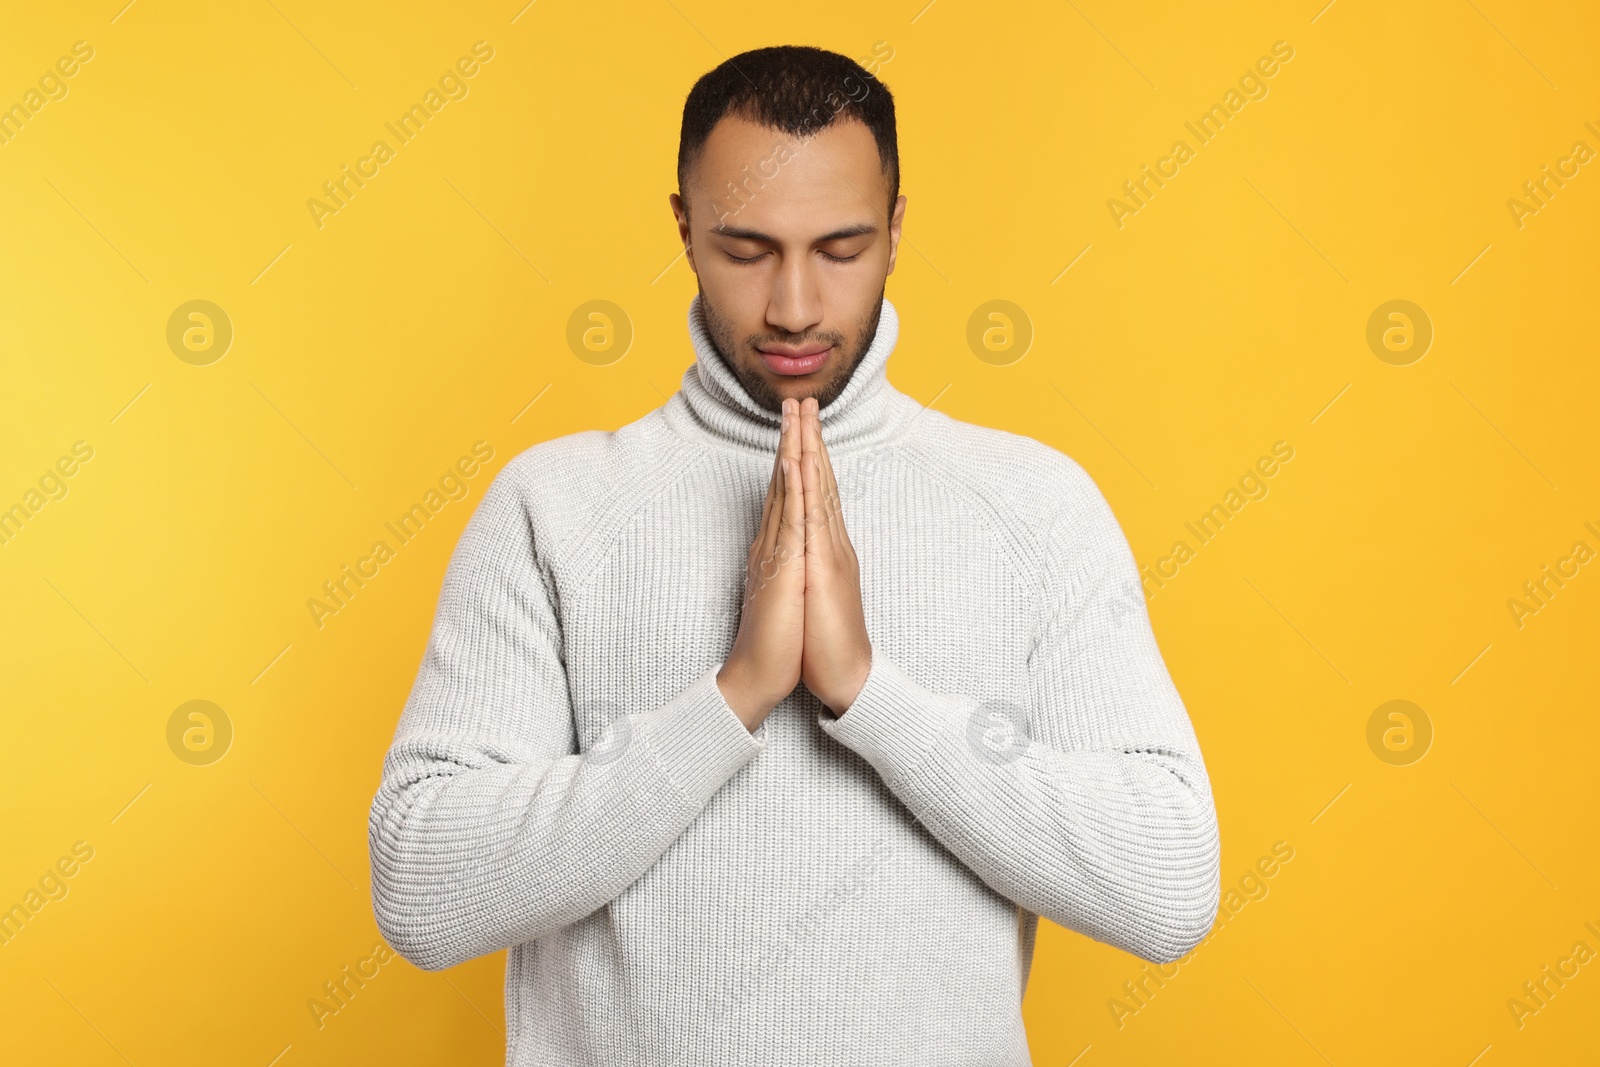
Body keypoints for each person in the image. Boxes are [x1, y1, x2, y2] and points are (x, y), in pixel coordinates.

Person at [368, 43, 1220, 1067]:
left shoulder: (1032, 505)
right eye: (746, 249)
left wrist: (867, 693)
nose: (795, 307)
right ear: (682, 228)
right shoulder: (552, 507)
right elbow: (421, 889)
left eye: (841, 247)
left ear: (898, 228)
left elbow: (1168, 887)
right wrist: (734, 695)